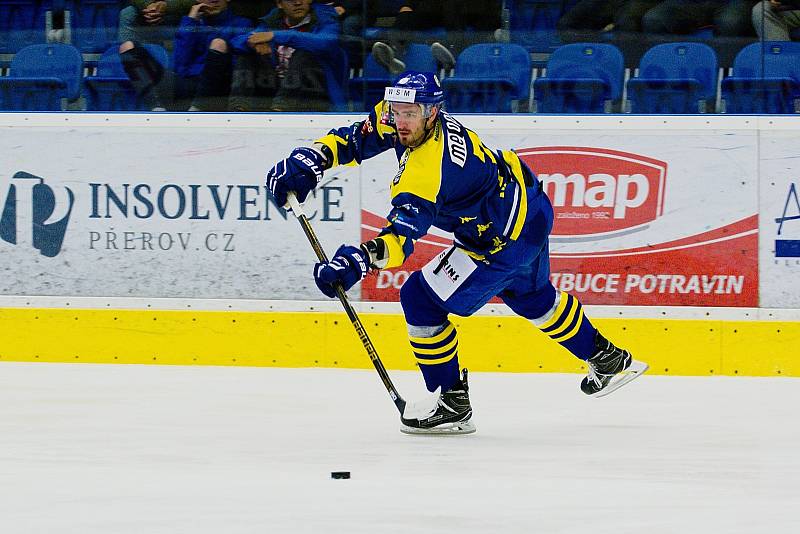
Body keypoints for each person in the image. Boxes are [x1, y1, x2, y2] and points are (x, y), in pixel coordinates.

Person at [265, 72, 648, 434]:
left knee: (420, 299)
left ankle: (451, 404)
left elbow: (400, 239)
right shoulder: (403, 115)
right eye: (396, 112)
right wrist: (311, 160)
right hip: (529, 207)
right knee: (531, 297)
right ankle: (610, 359)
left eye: (410, 115)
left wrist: (357, 262)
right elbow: (354, 139)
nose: (400, 122)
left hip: (498, 238)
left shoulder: (426, 170)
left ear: (432, 112)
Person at [227, 0, 343, 111]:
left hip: (313, 91)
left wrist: (275, 36)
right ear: (279, 4)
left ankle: (281, 110)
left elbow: (325, 43)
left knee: (305, 53)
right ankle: (238, 109)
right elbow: (236, 42)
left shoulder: (326, 20)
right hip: (274, 88)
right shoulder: (272, 21)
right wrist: (251, 43)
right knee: (247, 55)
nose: (298, 3)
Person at [173, 0, 252, 110]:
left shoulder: (242, 24)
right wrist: (191, 20)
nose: (213, 0)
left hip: (222, 87)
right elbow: (180, 64)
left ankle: (197, 109)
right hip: (190, 86)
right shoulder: (191, 24)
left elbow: (239, 64)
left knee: (218, 44)